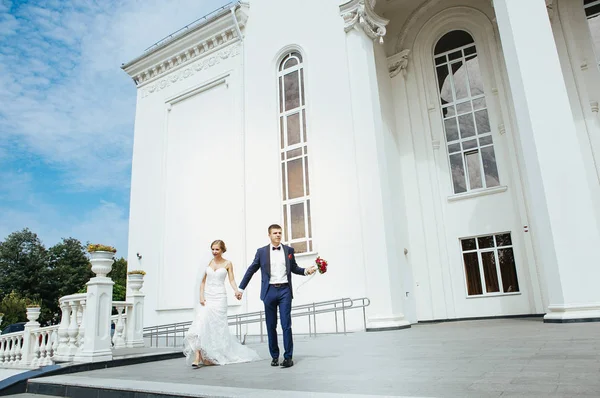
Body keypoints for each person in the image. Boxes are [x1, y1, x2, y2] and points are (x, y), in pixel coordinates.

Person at [237, 224, 316, 368]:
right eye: (275, 233)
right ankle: (274, 356)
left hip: (285, 290)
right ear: (269, 235)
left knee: (286, 324)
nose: (278, 235)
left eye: (280, 233)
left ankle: (288, 357)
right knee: (270, 325)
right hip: (269, 292)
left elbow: (294, 268)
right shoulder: (261, 252)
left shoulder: (288, 250)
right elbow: (251, 270)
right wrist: (241, 288)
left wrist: (306, 271)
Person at [183, 240, 260, 367]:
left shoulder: (228, 263)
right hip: (207, 298)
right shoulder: (207, 262)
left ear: (222, 250)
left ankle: (211, 355)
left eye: (217, 249)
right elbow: (202, 282)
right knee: (199, 324)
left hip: (220, 299)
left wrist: (237, 291)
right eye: (212, 249)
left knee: (217, 328)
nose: (214, 252)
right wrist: (201, 296)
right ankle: (197, 355)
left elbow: (231, 280)